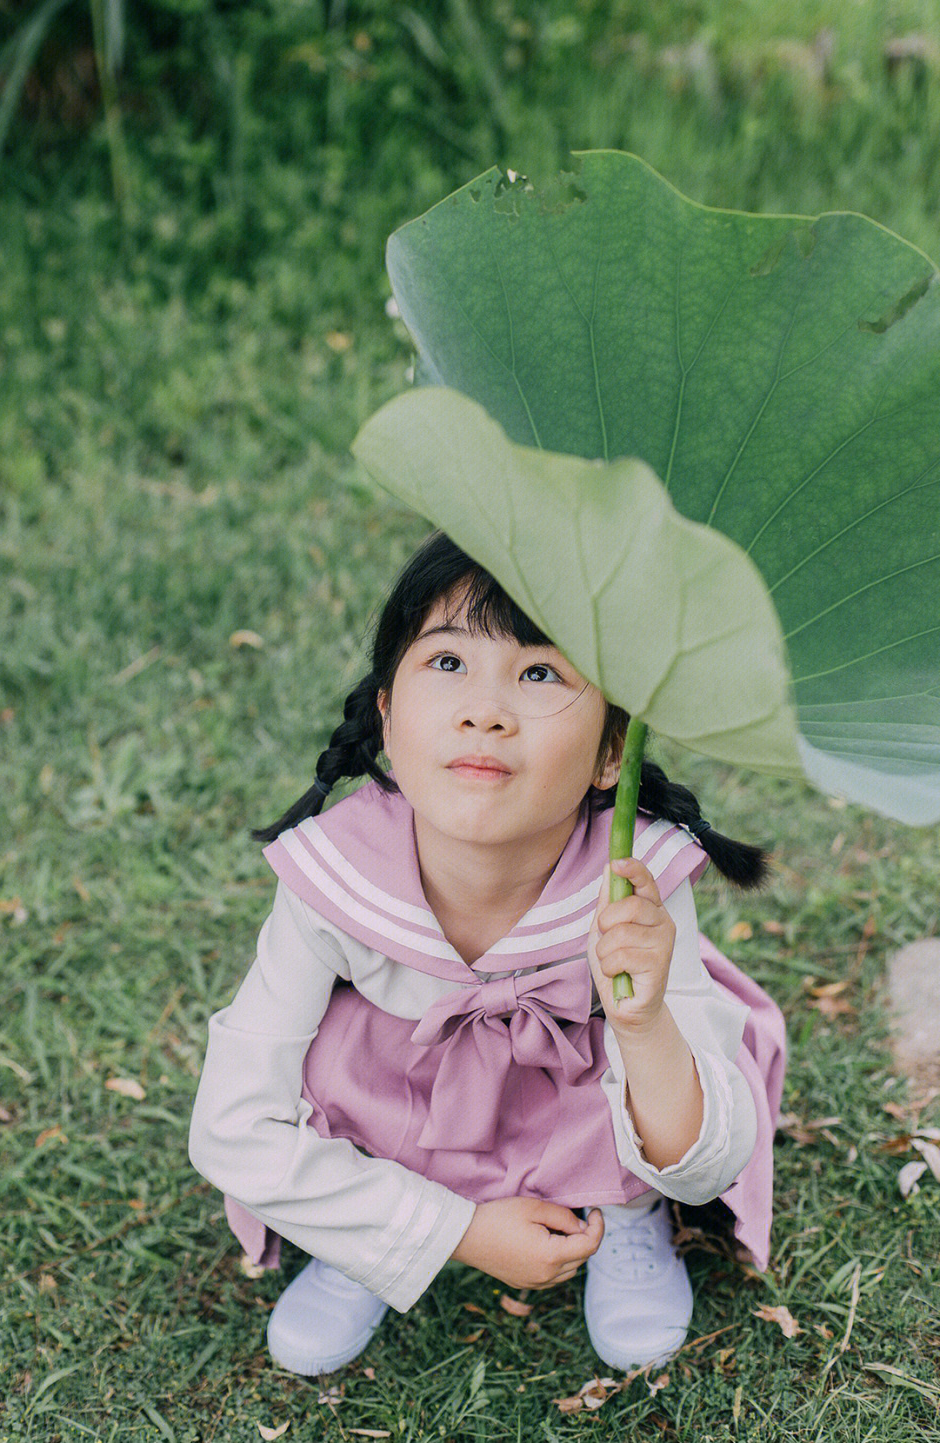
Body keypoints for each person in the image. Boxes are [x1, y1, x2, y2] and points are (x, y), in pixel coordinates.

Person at [189, 530, 786, 1376]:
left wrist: (645, 1017)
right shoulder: (333, 875)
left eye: (541, 672)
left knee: (650, 1089)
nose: (485, 709)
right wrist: (456, 1230)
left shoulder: (635, 882)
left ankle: (622, 1211)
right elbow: (230, 1126)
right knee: (336, 1095)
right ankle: (371, 1225)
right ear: (388, 716)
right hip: (398, 1121)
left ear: (612, 749)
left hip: (580, 1111)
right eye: (446, 662)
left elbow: (710, 1158)